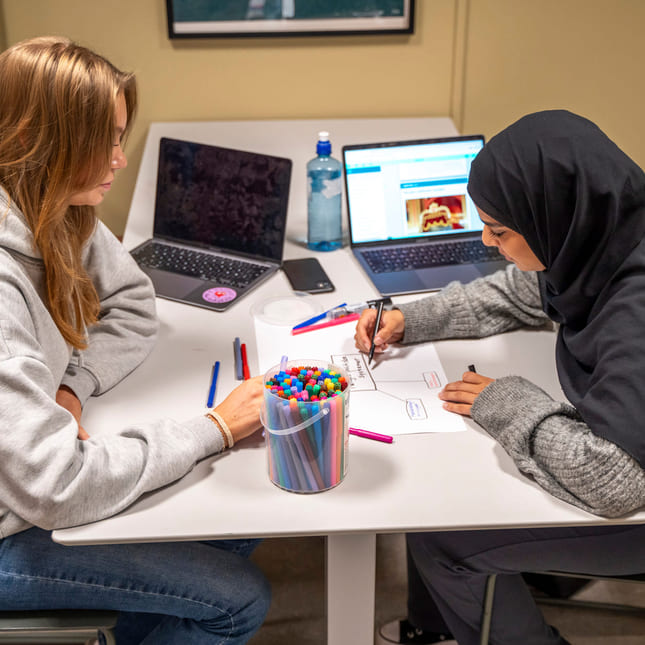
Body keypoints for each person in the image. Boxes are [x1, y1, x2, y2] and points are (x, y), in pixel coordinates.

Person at [0, 36, 270, 644]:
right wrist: (215, 428)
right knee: (240, 599)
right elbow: (57, 487)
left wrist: (73, 382)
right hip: (16, 528)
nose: (120, 161)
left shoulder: (56, 209)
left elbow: (132, 302)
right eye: (107, 142)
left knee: (239, 522)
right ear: (44, 142)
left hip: (29, 489)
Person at [354, 110, 645, 645]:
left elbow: (617, 483)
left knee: (444, 535)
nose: (487, 243)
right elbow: (519, 292)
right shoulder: (602, 235)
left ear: (554, 217)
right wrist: (408, 321)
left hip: (635, 513)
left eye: (500, 230)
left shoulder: (636, 308)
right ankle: (440, 629)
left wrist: (505, 400)